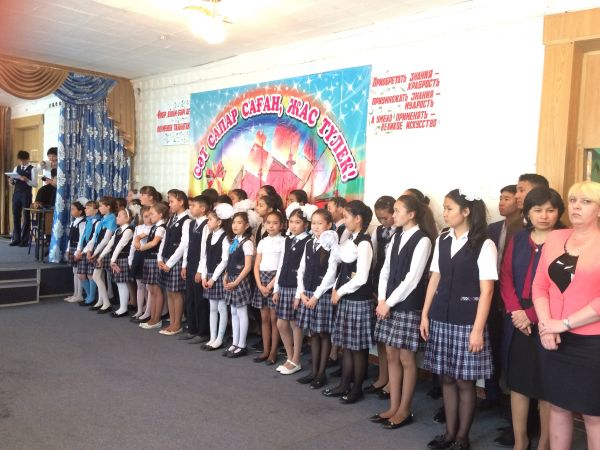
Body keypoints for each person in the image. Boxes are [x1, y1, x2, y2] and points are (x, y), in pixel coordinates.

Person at [421, 189, 497, 450]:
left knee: (465, 382)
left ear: (466, 212)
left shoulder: (484, 244)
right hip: (441, 317)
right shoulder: (443, 239)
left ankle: (463, 438)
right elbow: (435, 278)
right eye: (444, 207)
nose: (444, 213)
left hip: (467, 321)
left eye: (449, 208)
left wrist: (477, 330)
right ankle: (449, 433)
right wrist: (425, 314)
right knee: (446, 378)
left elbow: (487, 291)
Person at [533, 181, 600, 450]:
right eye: (573, 201)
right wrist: (546, 326)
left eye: (586, 202)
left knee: (593, 414)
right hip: (553, 337)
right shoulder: (555, 237)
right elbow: (539, 286)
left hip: (591, 343)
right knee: (558, 406)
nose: (576, 207)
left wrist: (563, 324)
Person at [501, 187, 565, 450]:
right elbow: (506, 277)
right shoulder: (518, 239)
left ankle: (545, 444)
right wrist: (516, 312)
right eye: (538, 210)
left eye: (551, 210)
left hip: (550, 319)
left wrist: (530, 316)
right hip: (518, 319)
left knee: (546, 387)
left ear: (559, 212)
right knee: (519, 384)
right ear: (527, 212)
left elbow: (562, 287)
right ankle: (521, 441)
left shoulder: (566, 240)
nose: (544, 216)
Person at [372, 194, 436, 429]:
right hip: (388, 301)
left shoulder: (423, 239)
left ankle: (404, 409)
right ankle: (393, 405)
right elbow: (386, 270)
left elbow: (413, 278)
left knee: (406, 358)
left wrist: (388, 302)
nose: (394, 214)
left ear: (411, 214)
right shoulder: (396, 236)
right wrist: (382, 299)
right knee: (391, 354)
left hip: (407, 304)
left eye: (398, 210)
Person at [322, 200, 374, 404]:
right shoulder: (351, 239)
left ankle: (357, 388)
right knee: (347, 345)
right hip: (346, 297)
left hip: (358, 300)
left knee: (358, 348)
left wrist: (341, 291)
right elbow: (343, 270)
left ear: (358, 218)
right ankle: (344, 384)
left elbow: (361, 277)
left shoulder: (364, 243)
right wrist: (336, 288)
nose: (344, 221)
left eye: (346, 217)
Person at [295, 209, 339, 388]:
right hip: (308, 293)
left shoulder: (332, 245)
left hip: (322, 295)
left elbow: (331, 273)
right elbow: (301, 269)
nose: (316, 226)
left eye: (320, 223)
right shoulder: (308, 243)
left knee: (323, 334)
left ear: (328, 225)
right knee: (313, 333)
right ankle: (313, 372)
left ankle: (321, 374)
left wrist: (316, 295)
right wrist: (301, 292)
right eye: (313, 223)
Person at [273, 203, 313, 374]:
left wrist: (298, 295)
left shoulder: (308, 241)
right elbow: (281, 263)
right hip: (283, 285)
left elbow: (304, 270)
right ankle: (290, 357)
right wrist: (276, 288)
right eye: (291, 222)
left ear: (306, 224)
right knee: (281, 323)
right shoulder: (287, 239)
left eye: (298, 222)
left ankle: (296, 359)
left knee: (295, 324)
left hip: (296, 288)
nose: (293, 225)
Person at [367, 195, 397, 398]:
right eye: (379, 218)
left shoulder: (402, 232)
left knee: (391, 341)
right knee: (380, 336)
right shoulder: (378, 232)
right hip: (379, 283)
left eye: (386, 218)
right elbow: (375, 257)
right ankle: (382, 376)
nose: (383, 222)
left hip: (394, 287)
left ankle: (392, 383)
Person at [252, 210, 286, 364]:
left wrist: (271, 285)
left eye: (275, 223)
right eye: (268, 223)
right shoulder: (262, 241)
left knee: (274, 319)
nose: (271, 226)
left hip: (275, 280)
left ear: (282, 225)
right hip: (261, 279)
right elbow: (256, 264)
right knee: (264, 318)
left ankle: (273, 351)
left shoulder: (284, 241)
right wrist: (260, 285)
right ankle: (265, 350)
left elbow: (282, 266)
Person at [199, 203, 233, 350]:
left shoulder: (225, 237)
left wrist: (213, 278)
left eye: (210, 219)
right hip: (209, 275)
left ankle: (220, 338)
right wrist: (204, 276)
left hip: (219, 277)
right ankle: (212, 337)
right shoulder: (210, 236)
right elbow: (204, 258)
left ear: (219, 222)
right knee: (212, 307)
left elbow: (225, 260)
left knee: (221, 308)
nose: (208, 222)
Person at [157, 190, 191, 336]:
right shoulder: (172, 218)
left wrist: (170, 263)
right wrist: (159, 257)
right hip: (165, 258)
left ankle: (177, 323)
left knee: (176, 293)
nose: (169, 204)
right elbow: (164, 239)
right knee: (169, 291)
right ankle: (172, 321)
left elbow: (184, 245)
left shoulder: (187, 220)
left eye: (171, 201)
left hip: (175, 261)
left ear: (181, 202)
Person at [222, 211, 255, 357]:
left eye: (239, 223)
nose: (235, 225)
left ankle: (242, 345)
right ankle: (234, 343)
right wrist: (226, 276)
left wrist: (236, 281)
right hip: (231, 278)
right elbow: (229, 261)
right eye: (234, 222)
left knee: (241, 312)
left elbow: (247, 267)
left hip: (240, 280)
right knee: (233, 312)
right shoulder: (234, 240)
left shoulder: (247, 243)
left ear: (246, 225)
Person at [180, 195, 211, 344]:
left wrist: (200, 270)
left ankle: (202, 332)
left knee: (200, 301)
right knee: (190, 298)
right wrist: (184, 265)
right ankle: (192, 329)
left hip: (200, 266)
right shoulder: (192, 223)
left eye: (193, 206)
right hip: (190, 264)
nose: (190, 208)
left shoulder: (206, 224)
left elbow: (205, 250)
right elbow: (187, 245)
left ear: (203, 209)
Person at [138, 202, 168, 330]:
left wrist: (141, 247)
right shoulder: (155, 227)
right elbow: (140, 236)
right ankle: (152, 317)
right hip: (149, 259)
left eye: (152, 214)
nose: (150, 216)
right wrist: (137, 240)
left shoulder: (161, 227)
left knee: (156, 290)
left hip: (155, 259)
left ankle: (157, 319)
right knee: (151, 289)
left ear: (160, 215)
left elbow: (154, 242)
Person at [103, 209, 135, 317]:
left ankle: (123, 308)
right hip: (117, 259)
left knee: (122, 283)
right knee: (119, 283)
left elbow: (120, 245)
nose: (117, 217)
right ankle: (122, 307)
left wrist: (112, 260)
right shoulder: (118, 230)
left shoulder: (129, 230)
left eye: (120, 216)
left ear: (127, 218)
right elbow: (110, 244)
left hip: (123, 259)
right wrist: (100, 256)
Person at [89, 197, 118, 313]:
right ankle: (100, 301)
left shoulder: (112, 219)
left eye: (101, 206)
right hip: (99, 250)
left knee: (96, 276)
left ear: (108, 207)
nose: (99, 208)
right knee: (99, 276)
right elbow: (95, 237)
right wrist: (90, 250)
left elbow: (106, 240)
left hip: (105, 251)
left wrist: (96, 253)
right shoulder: (103, 220)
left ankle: (106, 303)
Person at [9, 150, 38, 246]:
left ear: (28, 159)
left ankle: (24, 240)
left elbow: (35, 184)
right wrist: (11, 181)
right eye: (20, 160)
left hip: (26, 194)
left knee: (26, 216)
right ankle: (16, 238)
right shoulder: (16, 168)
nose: (22, 162)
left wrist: (27, 180)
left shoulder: (33, 169)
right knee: (16, 216)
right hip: (16, 194)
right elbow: (13, 183)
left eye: (24, 160)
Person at [74, 201, 101, 306]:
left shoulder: (98, 222)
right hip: (83, 250)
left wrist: (84, 251)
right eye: (85, 208)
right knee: (81, 275)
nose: (86, 210)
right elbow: (82, 237)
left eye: (88, 208)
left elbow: (93, 239)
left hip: (91, 250)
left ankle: (92, 297)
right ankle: (89, 295)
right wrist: (78, 250)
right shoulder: (87, 221)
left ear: (96, 210)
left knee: (90, 275)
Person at [129, 206, 152, 322]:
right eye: (145, 216)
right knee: (140, 285)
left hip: (148, 255)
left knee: (148, 286)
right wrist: (130, 259)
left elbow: (145, 236)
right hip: (138, 256)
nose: (148, 219)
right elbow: (133, 245)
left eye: (150, 216)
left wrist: (139, 237)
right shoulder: (138, 227)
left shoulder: (155, 228)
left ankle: (148, 311)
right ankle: (139, 310)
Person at [64, 201, 86, 303]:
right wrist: (68, 250)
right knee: (74, 271)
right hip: (72, 248)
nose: (71, 211)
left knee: (78, 272)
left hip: (78, 250)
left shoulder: (83, 223)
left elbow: (81, 238)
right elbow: (70, 238)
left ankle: (80, 294)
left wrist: (78, 251)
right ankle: (75, 293)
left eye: (73, 209)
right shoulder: (74, 222)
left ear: (80, 211)